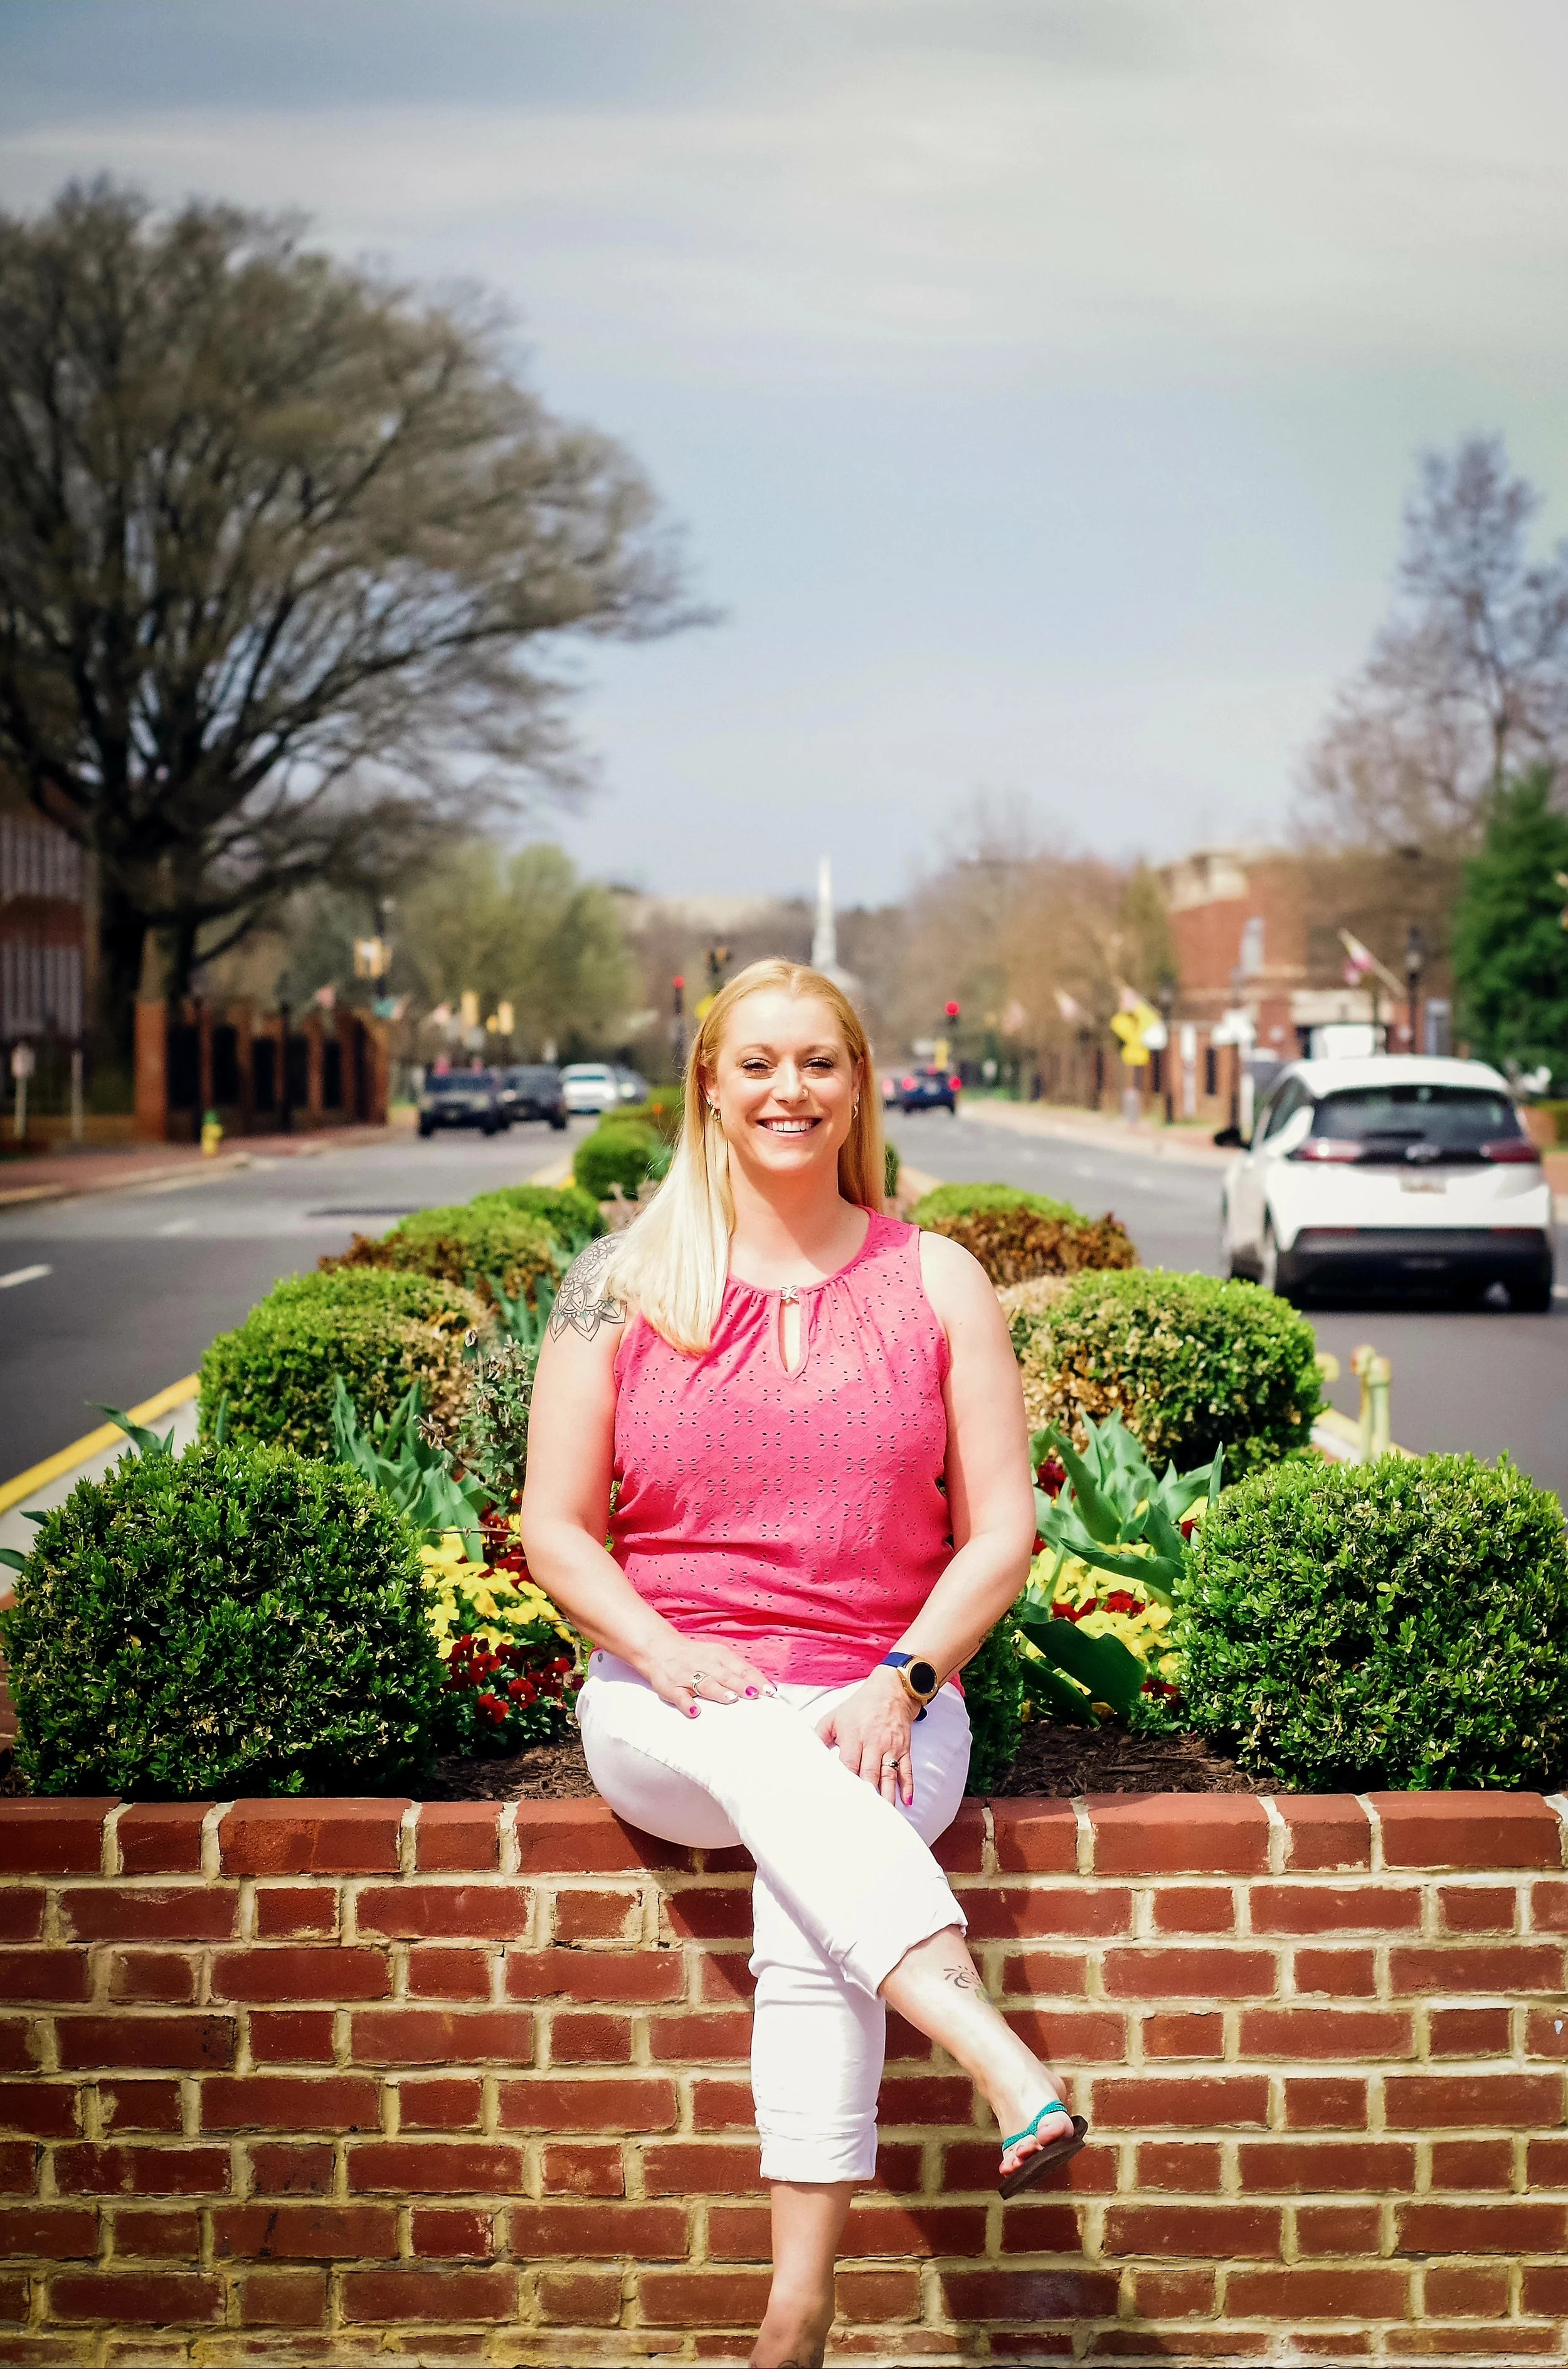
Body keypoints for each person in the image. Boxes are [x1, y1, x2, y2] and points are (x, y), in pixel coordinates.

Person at [521, 959, 1087, 2369]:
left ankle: (796, 2310)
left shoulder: (933, 1278)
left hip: (883, 1696)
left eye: (819, 1064)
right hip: (668, 1706)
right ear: (707, 1084)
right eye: (758, 1063)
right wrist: (663, 1648)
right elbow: (555, 1527)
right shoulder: (616, 1288)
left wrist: (900, 1680)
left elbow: (1000, 1533)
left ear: (857, 1087)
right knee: (776, 1757)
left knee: (810, 1875)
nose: (790, 1091)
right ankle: (994, 2053)